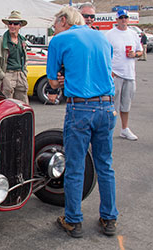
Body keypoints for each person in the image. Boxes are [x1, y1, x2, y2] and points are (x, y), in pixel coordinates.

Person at [47, 6, 118, 238]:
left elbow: (53, 83)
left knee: (76, 167)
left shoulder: (60, 40)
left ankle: (73, 220)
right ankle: (109, 219)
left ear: (64, 20)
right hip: (107, 106)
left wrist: (61, 79)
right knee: (105, 165)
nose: (53, 27)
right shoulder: (101, 37)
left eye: (55, 22)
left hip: (81, 108)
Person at [105, 9, 142, 141]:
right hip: (116, 74)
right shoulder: (110, 34)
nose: (123, 20)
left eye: (125, 17)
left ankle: (124, 129)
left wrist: (135, 54)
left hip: (130, 74)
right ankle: (109, 130)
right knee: (113, 105)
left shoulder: (133, 34)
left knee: (126, 104)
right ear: (117, 19)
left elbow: (140, 51)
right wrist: (110, 71)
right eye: (121, 18)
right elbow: (105, 54)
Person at [0, 10, 29, 104]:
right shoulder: (1, 41)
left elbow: (25, 59)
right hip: (7, 73)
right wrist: (3, 77)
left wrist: (24, 72)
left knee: (23, 104)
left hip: (20, 74)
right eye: (10, 23)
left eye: (15, 23)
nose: (12, 26)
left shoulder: (22, 41)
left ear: (20, 25)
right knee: (7, 104)